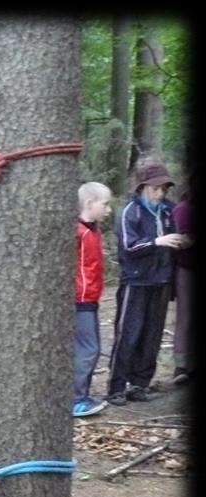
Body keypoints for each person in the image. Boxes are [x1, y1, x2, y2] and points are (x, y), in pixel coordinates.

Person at [106, 159, 184, 405]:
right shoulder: (132, 211)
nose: (160, 193)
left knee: (152, 336)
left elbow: (174, 239)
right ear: (142, 187)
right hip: (136, 282)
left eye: (164, 188)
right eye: (155, 188)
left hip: (161, 281)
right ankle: (117, 387)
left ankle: (141, 384)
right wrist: (156, 242)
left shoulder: (169, 210)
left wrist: (181, 242)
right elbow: (129, 246)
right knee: (129, 334)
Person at [72, 181, 113, 418]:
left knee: (91, 348)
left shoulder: (92, 230)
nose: (108, 210)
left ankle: (82, 394)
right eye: (105, 204)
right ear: (89, 203)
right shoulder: (78, 231)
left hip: (91, 298)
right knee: (89, 349)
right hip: (80, 300)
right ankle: (76, 399)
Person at [171, 182, 194, 384]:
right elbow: (180, 240)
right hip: (187, 269)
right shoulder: (184, 208)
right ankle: (181, 365)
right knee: (185, 316)